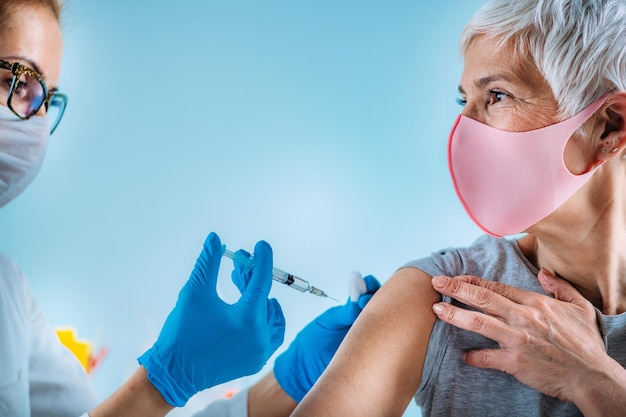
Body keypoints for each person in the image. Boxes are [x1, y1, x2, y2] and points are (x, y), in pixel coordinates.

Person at [289, 0, 626, 416]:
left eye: (497, 96)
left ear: (609, 126)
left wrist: (594, 379)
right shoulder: (438, 296)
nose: (461, 132)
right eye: (462, 101)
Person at [0, 1, 288, 416]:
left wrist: (288, 385)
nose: (36, 117)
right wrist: (165, 378)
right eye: (21, 80)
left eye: (48, 97)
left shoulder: (7, 287)